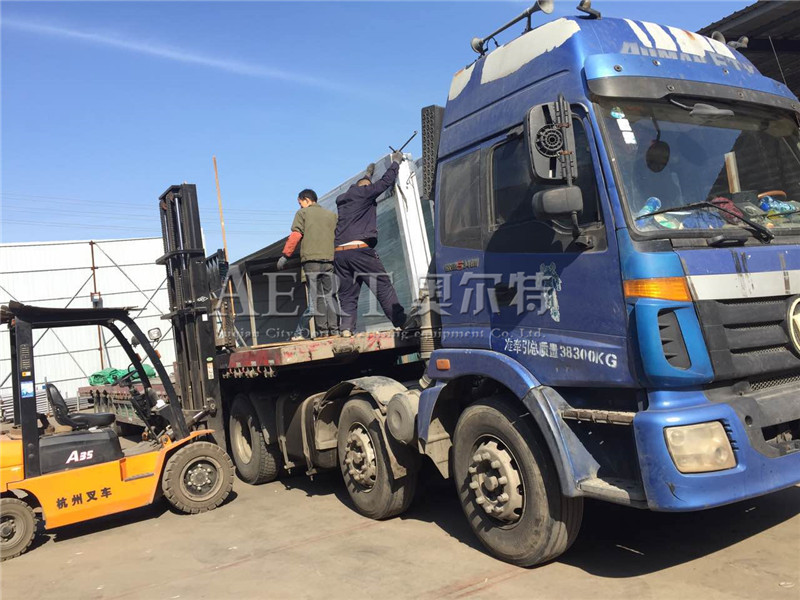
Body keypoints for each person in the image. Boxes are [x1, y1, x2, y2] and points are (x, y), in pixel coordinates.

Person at [334, 153, 407, 336]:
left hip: (340, 253)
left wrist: (368, 174)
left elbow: (363, 185)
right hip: (359, 250)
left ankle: (346, 329)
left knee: (347, 294)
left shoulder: (344, 200)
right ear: (366, 188)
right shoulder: (365, 193)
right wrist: (396, 162)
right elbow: (385, 182)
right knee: (382, 286)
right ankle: (402, 322)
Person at [277, 189, 339, 338]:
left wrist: (285, 255)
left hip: (311, 262)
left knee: (317, 297)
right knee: (330, 295)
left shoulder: (302, 214)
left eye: (300, 203)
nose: (300, 206)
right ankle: (335, 329)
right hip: (329, 260)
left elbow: (295, 235)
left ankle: (323, 331)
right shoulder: (331, 215)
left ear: (306, 200)